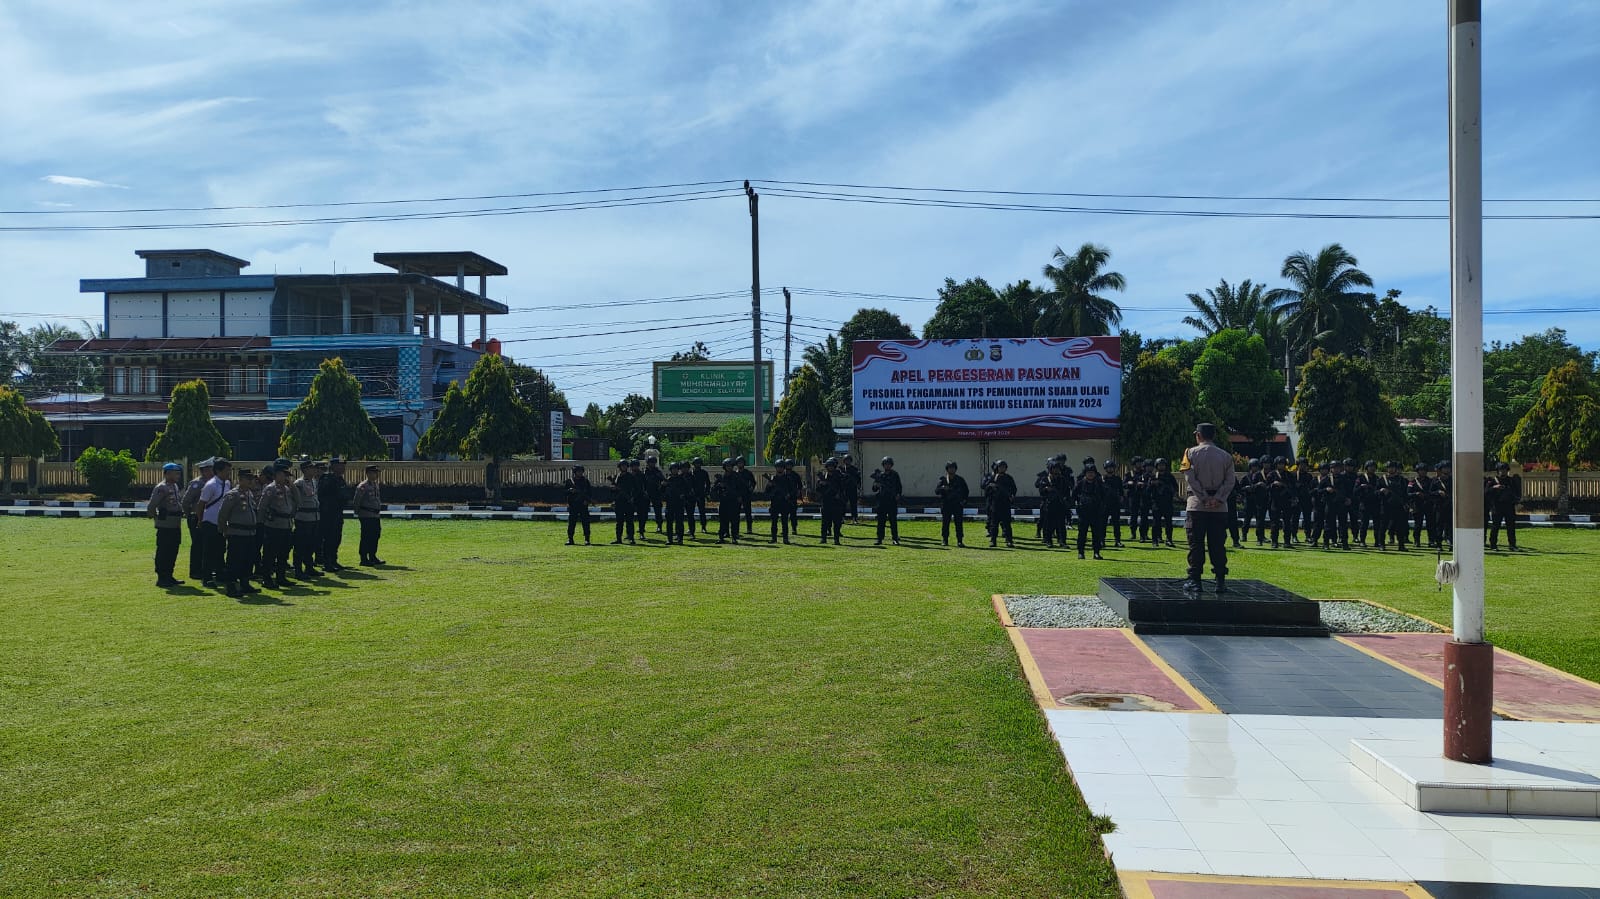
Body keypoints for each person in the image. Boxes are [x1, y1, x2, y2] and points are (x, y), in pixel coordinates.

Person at [1182, 423, 1236, 594]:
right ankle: (1220, 581)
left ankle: (1195, 581)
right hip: (1219, 508)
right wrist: (1218, 499)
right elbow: (1230, 481)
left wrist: (1204, 498)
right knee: (1218, 544)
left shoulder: (1189, 453)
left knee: (1196, 544)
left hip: (1197, 505)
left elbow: (1190, 479)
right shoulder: (1226, 456)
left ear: (1198, 435)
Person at [216, 468, 261, 597]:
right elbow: (223, 514)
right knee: (235, 561)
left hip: (250, 533)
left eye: (251, 479)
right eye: (248, 479)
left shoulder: (249, 494)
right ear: (240, 480)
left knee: (248, 560)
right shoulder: (233, 494)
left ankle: (245, 583)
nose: (251, 481)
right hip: (237, 533)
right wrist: (223, 530)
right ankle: (231, 586)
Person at [258, 462, 298, 587]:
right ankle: (267, 578)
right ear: (276, 475)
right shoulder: (270, 488)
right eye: (282, 475)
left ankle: (281, 577)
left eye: (286, 475)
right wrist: (261, 524)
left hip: (286, 525)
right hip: (273, 525)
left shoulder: (287, 489)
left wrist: (292, 486)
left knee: (283, 553)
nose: (285, 477)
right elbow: (262, 507)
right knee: (270, 553)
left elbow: (298, 500)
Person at [147, 461, 186, 588]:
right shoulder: (161, 487)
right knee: (164, 551)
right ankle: (162, 577)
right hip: (165, 524)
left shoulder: (174, 486)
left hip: (175, 524)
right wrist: (157, 519)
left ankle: (169, 575)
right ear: (168, 473)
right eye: (176, 473)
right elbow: (151, 507)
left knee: (173, 550)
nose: (178, 476)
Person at [197, 458, 233, 588]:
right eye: (227, 470)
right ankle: (206, 578)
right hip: (210, 521)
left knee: (220, 549)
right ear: (218, 470)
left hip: (221, 522)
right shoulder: (211, 485)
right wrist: (200, 520)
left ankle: (219, 574)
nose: (229, 473)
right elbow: (201, 504)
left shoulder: (227, 483)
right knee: (209, 551)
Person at [181, 457, 213, 581]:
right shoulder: (197, 483)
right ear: (204, 471)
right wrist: (190, 515)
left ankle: (205, 568)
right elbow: (186, 501)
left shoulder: (213, 483)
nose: (212, 472)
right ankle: (195, 570)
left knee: (207, 545)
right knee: (198, 545)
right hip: (196, 517)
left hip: (207, 518)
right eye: (209, 469)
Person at [318, 456, 350, 570]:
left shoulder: (340, 479)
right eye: (340, 465)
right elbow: (323, 496)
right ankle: (327, 562)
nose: (343, 468)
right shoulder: (327, 479)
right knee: (329, 538)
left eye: (343, 465)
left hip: (337, 513)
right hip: (328, 514)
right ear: (333, 467)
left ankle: (333, 560)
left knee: (337, 537)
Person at [292, 459, 322, 577]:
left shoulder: (313, 481)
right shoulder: (299, 483)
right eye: (311, 468)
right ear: (305, 470)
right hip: (303, 518)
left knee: (311, 544)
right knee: (300, 545)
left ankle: (309, 567)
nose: (314, 470)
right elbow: (295, 501)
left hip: (314, 517)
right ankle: (298, 569)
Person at [1074, 464, 1109, 559]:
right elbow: (1074, 495)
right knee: (1082, 533)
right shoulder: (1080, 483)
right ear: (1085, 473)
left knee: (1096, 534)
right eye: (1088, 473)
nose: (1090, 474)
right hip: (1083, 512)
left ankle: (1096, 552)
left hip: (1096, 512)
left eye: (1092, 473)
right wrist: (1077, 506)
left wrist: (1102, 508)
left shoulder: (1099, 484)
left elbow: (1104, 496)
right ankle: (1081, 552)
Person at [353, 465, 384, 565]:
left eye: (376, 473)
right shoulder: (363, 486)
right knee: (366, 536)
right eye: (374, 473)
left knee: (375, 535)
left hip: (375, 515)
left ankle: (372, 556)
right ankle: (363, 558)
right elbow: (357, 500)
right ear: (368, 473)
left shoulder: (375, 485)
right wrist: (357, 512)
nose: (376, 475)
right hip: (366, 514)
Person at [983, 460, 1017, 548]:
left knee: (1007, 524)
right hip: (995, 503)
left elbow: (1014, 489)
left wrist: (1011, 495)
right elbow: (986, 489)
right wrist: (991, 487)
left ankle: (1009, 541)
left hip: (1005, 503)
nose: (1002, 468)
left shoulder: (1009, 478)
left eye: (1004, 467)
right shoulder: (993, 477)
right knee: (994, 524)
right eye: (1000, 467)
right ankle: (993, 541)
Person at [767, 458, 802, 544]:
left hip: (784, 503)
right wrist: (770, 486)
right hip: (775, 503)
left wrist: (789, 495)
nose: (779, 469)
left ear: (783, 468)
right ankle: (774, 538)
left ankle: (785, 539)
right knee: (774, 522)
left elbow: (794, 490)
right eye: (778, 467)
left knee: (784, 522)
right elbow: (766, 492)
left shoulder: (788, 479)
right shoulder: (773, 479)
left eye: (781, 467)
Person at [1487, 461, 1521, 550]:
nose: (1503, 472)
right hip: (1497, 506)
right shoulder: (1493, 481)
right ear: (1498, 471)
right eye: (1501, 470)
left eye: (1505, 470)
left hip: (1509, 506)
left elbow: (1517, 492)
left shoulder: (1511, 481)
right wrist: (1494, 488)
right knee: (1495, 526)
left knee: (1511, 527)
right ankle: (1493, 544)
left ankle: (1512, 545)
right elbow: (1486, 492)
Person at [1378, 460, 1410, 551]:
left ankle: (1401, 545)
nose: (1391, 469)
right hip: (1386, 505)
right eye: (1389, 467)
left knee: (1400, 527)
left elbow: (1405, 493)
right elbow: (1375, 492)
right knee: (1383, 526)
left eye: (1393, 467)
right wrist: (1381, 491)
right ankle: (1381, 544)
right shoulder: (1382, 480)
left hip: (1398, 506)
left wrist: (1406, 503)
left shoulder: (1402, 480)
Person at [871, 456, 903, 546]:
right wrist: (876, 485)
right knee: (881, 521)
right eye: (885, 464)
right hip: (882, 501)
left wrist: (898, 495)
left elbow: (899, 487)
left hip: (892, 500)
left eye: (888, 464)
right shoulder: (880, 475)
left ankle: (895, 538)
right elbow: (874, 489)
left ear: (891, 465)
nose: (887, 466)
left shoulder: (895, 475)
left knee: (893, 521)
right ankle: (879, 538)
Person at [935, 461, 969, 547]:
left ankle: (960, 540)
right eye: (950, 468)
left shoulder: (960, 480)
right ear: (947, 469)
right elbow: (936, 491)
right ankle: (945, 540)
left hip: (957, 504)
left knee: (959, 523)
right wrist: (942, 488)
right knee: (945, 523)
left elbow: (966, 491)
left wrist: (964, 500)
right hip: (946, 504)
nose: (951, 469)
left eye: (953, 468)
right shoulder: (943, 480)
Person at [817, 456, 846, 545]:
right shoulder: (823, 477)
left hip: (836, 502)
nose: (830, 468)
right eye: (829, 466)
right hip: (826, 502)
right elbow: (818, 490)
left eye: (832, 466)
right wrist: (822, 484)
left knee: (837, 522)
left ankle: (836, 539)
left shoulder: (839, 476)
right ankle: (823, 538)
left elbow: (843, 487)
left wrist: (839, 494)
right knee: (824, 522)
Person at [714, 458, 744, 544]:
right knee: (723, 520)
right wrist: (719, 486)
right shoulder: (721, 477)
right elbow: (714, 490)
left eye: (731, 466)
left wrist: (739, 496)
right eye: (727, 466)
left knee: (734, 520)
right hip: (724, 501)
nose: (729, 468)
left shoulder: (736, 476)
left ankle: (734, 537)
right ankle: (721, 537)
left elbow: (742, 488)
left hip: (733, 501)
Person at [1151, 457, 1179, 547]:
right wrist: (1152, 484)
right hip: (1157, 503)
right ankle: (1155, 540)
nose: (1161, 467)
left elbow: (1175, 488)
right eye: (1160, 465)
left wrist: (1173, 493)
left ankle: (1169, 540)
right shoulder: (1153, 476)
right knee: (1156, 523)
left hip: (1168, 502)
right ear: (1156, 466)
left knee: (1168, 523)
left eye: (1163, 465)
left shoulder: (1170, 476)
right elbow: (1148, 490)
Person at [664, 461, 692, 545]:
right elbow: (662, 492)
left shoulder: (682, 479)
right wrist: (663, 485)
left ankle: (680, 538)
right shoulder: (668, 479)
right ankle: (669, 539)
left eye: (676, 469)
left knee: (679, 522)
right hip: (670, 503)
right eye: (673, 469)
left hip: (679, 503)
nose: (674, 471)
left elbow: (687, 489)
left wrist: (683, 495)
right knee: (669, 522)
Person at [565, 464, 593, 545]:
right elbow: (564, 492)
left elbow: (590, 493)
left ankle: (587, 539)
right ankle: (570, 539)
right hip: (573, 505)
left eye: (581, 471)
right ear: (575, 472)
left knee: (586, 522)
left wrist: (587, 501)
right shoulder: (569, 481)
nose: (580, 473)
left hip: (583, 505)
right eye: (578, 471)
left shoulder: (585, 481)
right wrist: (570, 490)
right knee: (572, 522)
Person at [610, 460, 637, 544]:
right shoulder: (616, 477)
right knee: (619, 521)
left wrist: (633, 498)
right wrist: (613, 489)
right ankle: (618, 539)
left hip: (628, 501)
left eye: (625, 466)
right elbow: (613, 490)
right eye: (622, 466)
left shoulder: (631, 476)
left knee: (630, 521)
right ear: (619, 467)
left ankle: (631, 537)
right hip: (619, 501)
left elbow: (636, 489)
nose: (624, 467)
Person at [1102, 459, 1125, 548]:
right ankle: (1102, 540)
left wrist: (1121, 497)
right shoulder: (1102, 479)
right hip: (1105, 503)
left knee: (1116, 523)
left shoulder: (1117, 479)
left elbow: (1121, 491)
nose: (1110, 469)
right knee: (1103, 523)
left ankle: (1117, 540)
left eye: (1112, 467)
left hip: (1115, 503)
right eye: (1108, 468)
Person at [629, 458, 651, 542]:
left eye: (636, 466)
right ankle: (630, 534)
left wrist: (645, 493)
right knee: (629, 517)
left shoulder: (642, 475)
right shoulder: (628, 475)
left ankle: (641, 532)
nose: (635, 467)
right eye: (633, 466)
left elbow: (646, 485)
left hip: (641, 497)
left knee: (642, 516)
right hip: (631, 497)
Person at [732, 457, 757, 534]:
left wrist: (751, 488)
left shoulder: (748, 473)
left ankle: (749, 529)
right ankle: (736, 530)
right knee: (736, 514)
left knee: (748, 513)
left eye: (741, 462)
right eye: (739, 463)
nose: (740, 464)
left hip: (746, 495)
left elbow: (753, 482)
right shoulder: (735, 474)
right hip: (738, 495)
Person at [643, 455, 666, 532]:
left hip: (656, 493)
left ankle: (659, 526)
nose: (652, 464)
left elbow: (663, 480)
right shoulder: (645, 472)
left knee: (658, 511)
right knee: (644, 510)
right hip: (647, 493)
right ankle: (642, 526)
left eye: (653, 463)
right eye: (650, 462)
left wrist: (661, 486)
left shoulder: (657, 472)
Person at [689, 457, 710, 536]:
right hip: (692, 495)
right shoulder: (691, 473)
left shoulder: (704, 473)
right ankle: (691, 528)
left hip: (701, 494)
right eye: (696, 464)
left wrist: (706, 493)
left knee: (702, 512)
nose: (697, 465)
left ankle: (703, 527)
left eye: (699, 464)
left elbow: (707, 483)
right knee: (690, 512)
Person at [840, 454, 862, 523]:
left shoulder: (854, 469)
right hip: (844, 489)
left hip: (853, 489)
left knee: (853, 504)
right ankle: (842, 518)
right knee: (843, 504)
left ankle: (854, 518)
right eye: (846, 460)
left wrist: (859, 486)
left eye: (849, 460)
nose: (848, 461)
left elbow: (858, 479)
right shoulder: (842, 469)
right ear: (844, 461)